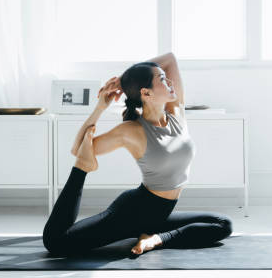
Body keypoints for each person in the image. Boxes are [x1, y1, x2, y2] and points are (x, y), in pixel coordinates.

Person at [42, 52, 233, 256]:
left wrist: (123, 79)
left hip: (161, 214)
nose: (169, 82)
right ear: (146, 93)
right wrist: (100, 108)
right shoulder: (132, 130)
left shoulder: (177, 112)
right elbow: (77, 149)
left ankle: (155, 239)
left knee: (223, 224)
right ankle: (82, 170)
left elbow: (169, 59)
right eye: (161, 79)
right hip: (134, 213)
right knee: (56, 242)